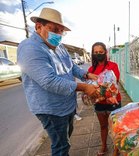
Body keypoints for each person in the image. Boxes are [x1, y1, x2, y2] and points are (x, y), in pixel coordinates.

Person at [17, 8, 97, 156]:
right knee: (60, 146)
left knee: (65, 138)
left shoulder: (59, 47)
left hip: (67, 105)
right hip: (51, 109)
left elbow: (71, 67)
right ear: (38, 27)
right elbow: (49, 81)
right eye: (54, 29)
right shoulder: (30, 48)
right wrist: (84, 87)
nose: (58, 35)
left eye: (61, 31)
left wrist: (86, 74)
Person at [88, 42, 122, 156]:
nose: (98, 54)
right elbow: (90, 86)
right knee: (103, 126)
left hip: (113, 102)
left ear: (105, 53)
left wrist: (99, 89)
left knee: (116, 127)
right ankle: (104, 146)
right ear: (93, 54)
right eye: (96, 52)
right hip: (99, 104)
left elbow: (114, 84)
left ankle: (116, 149)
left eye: (101, 52)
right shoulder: (91, 69)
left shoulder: (113, 66)